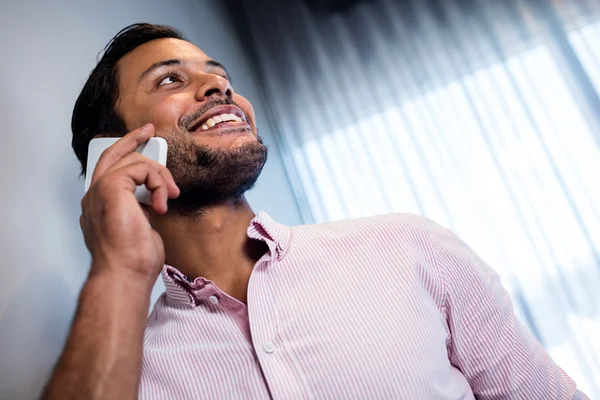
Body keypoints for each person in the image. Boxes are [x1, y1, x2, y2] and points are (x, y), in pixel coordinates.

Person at [42, 23, 588, 400]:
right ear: (116, 154)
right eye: (171, 80)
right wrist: (119, 270)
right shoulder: (124, 372)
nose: (219, 86)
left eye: (217, 73)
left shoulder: (410, 249)